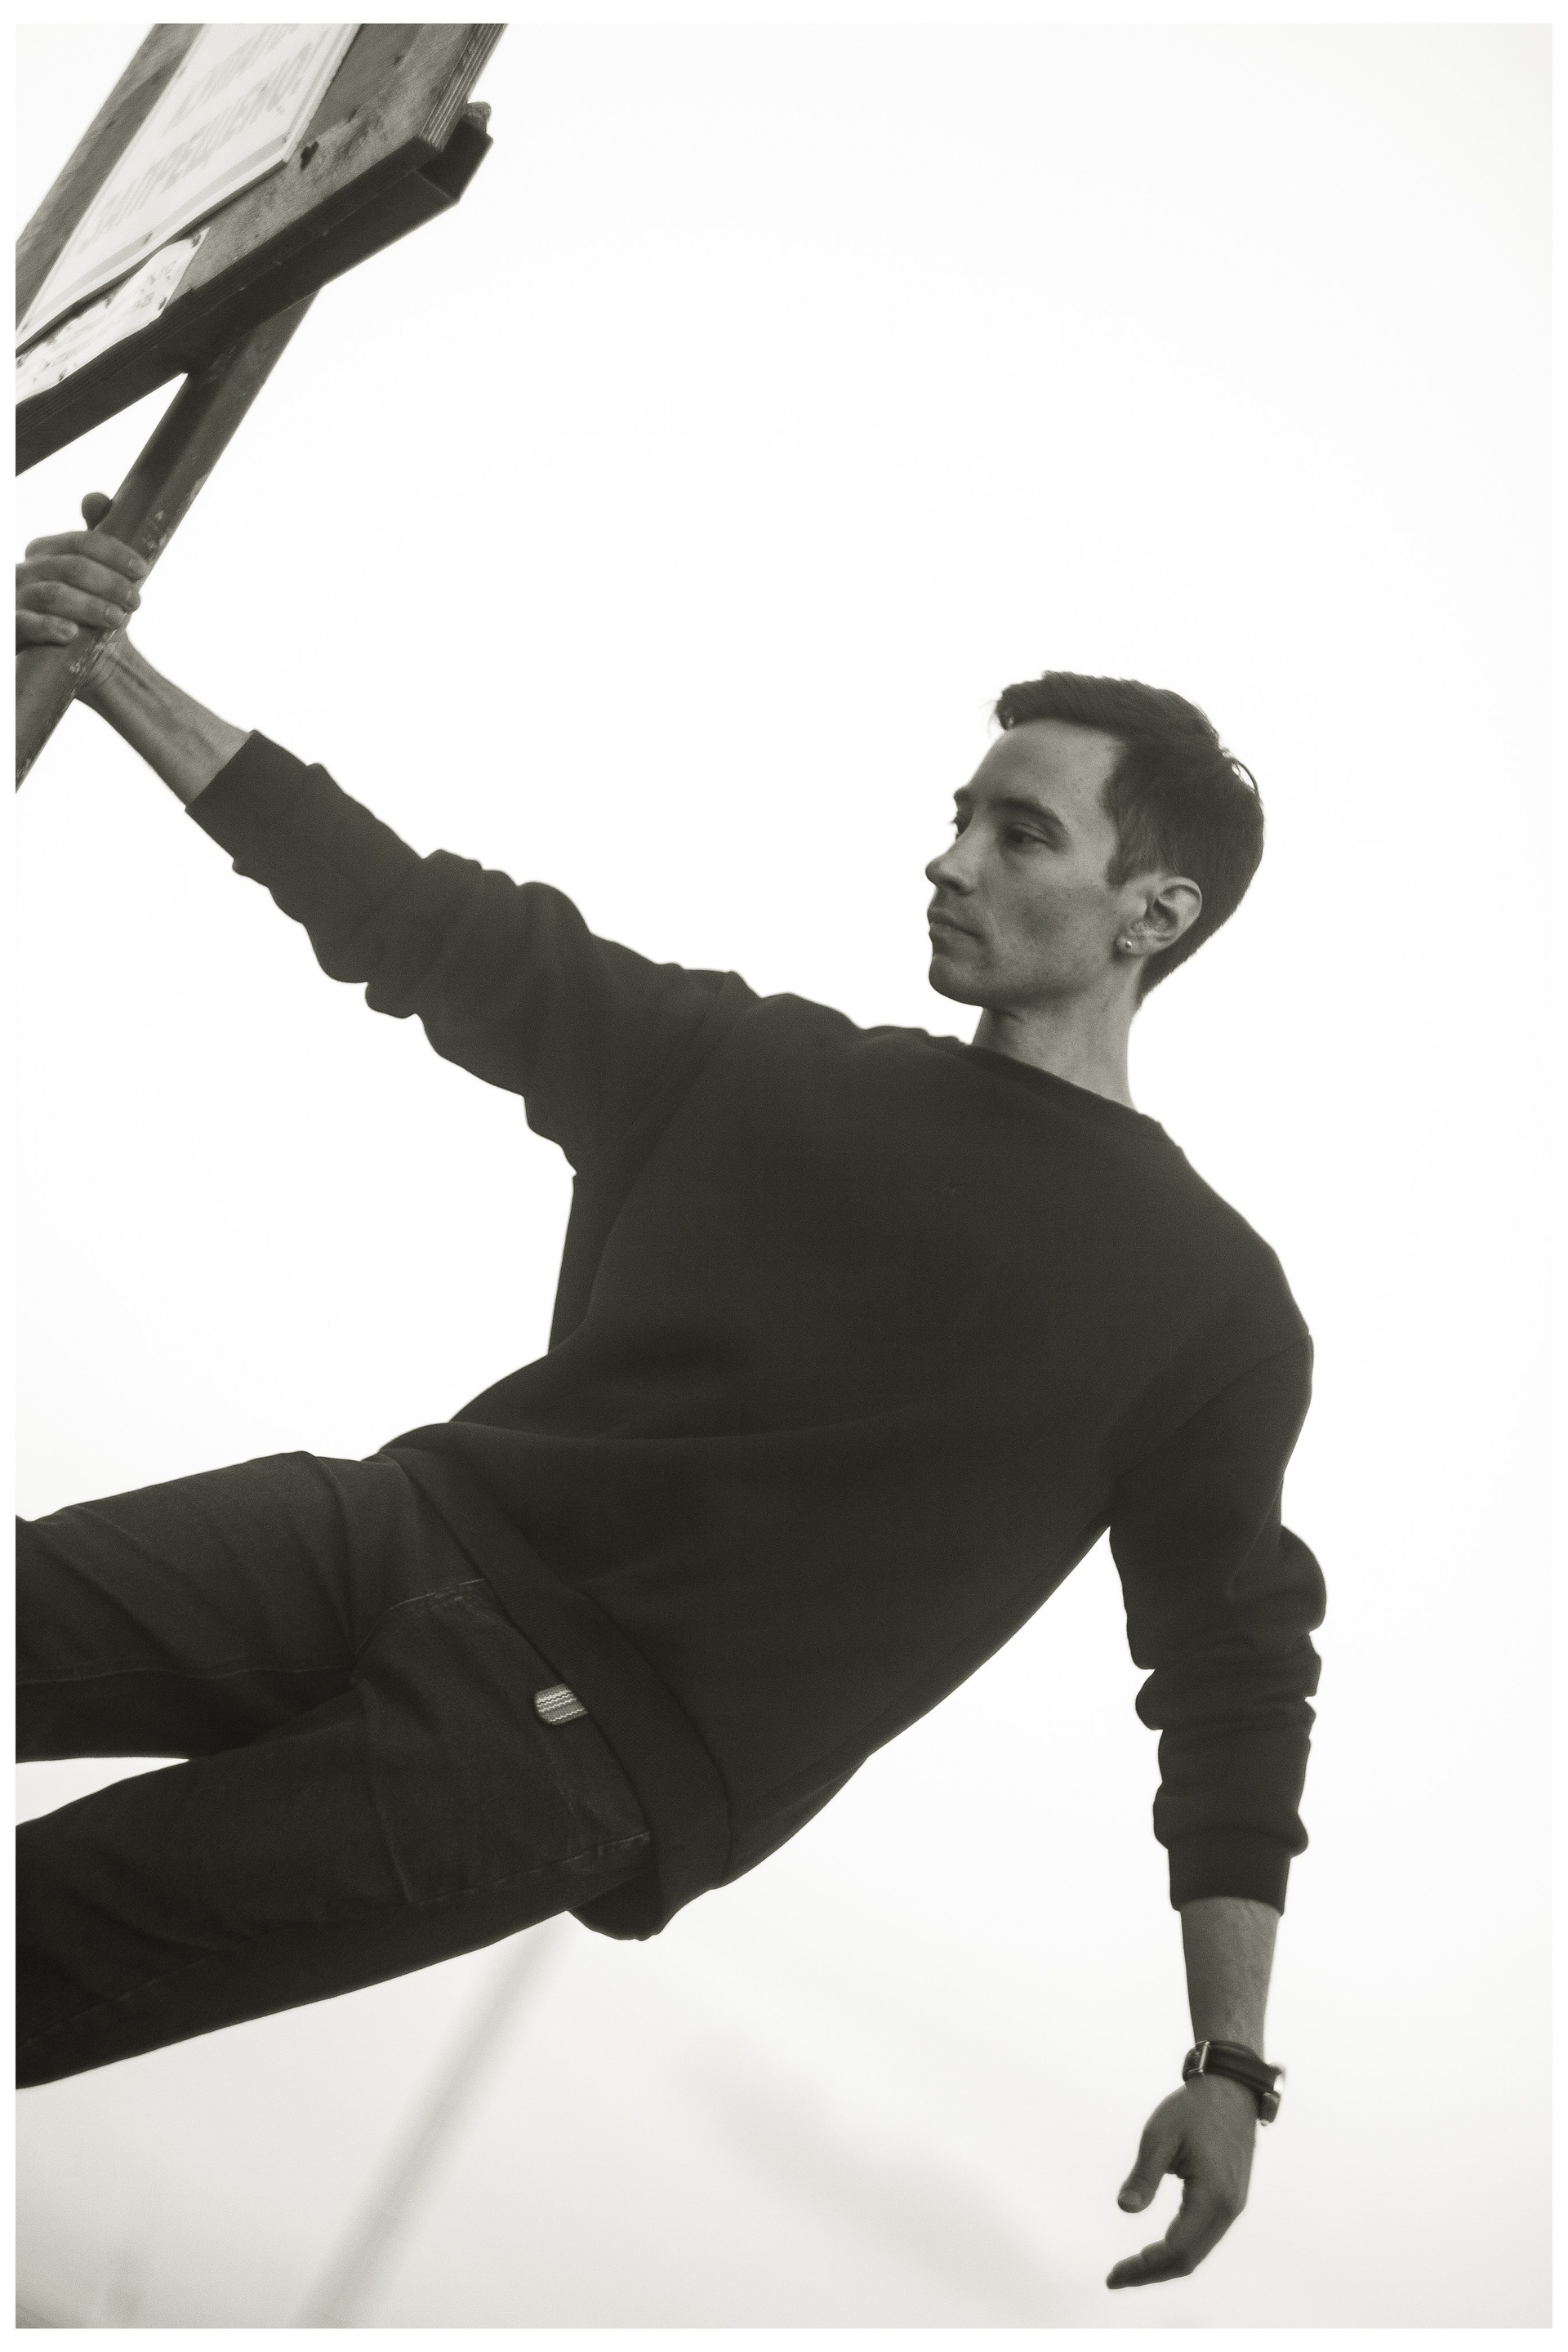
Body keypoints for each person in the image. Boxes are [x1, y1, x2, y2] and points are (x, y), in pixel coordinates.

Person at [16, 497, 1325, 2292]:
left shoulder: (1207, 1308)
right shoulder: (764, 1065)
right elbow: (430, 926)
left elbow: (1233, 1673)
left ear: (1150, 913)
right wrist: (112, 671)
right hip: (395, 1527)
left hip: (555, 1753)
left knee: (37, 1947)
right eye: (957, 813)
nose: (949, 858)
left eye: (1019, 832)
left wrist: (1231, 2061)